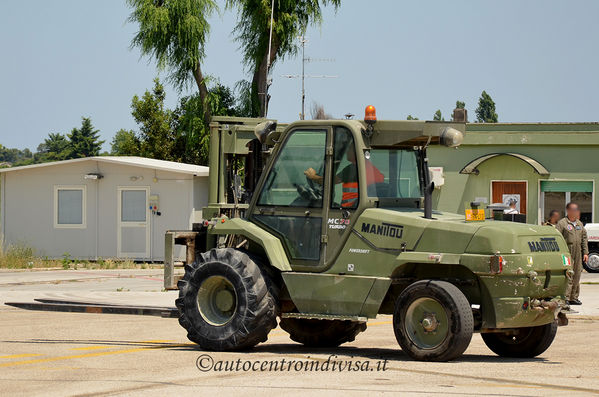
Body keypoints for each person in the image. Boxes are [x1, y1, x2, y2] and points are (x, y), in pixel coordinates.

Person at [304, 142, 384, 208]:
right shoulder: (373, 169)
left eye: (349, 149)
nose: (347, 152)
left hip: (351, 209)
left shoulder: (353, 169)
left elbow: (329, 182)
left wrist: (313, 176)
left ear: (356, 151)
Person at [556, 202, 588, 305]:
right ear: (568, 211)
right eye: (574, 210)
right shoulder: (562, 224)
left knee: (577, 274)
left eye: (577, 210)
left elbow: (584, 239)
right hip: (567, 252)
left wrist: (585, 253)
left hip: (578, 252)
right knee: (568, 274)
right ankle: (566, 297)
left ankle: (574, 297)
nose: (576, 212)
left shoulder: (579, 224)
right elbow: (557, 238)